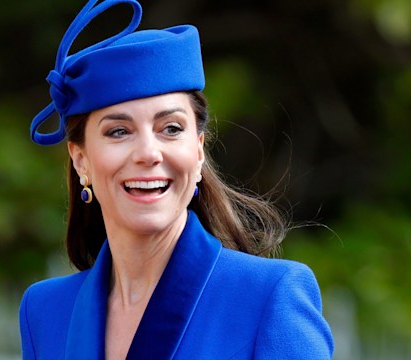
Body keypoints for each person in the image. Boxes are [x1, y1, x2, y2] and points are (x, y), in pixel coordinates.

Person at [19, 0, 334, 359]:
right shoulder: (44, 312)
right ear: (81, 160)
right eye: (119, 132)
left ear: (198, 151)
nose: (148, 153)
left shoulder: (268, 296)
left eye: (170, 128)